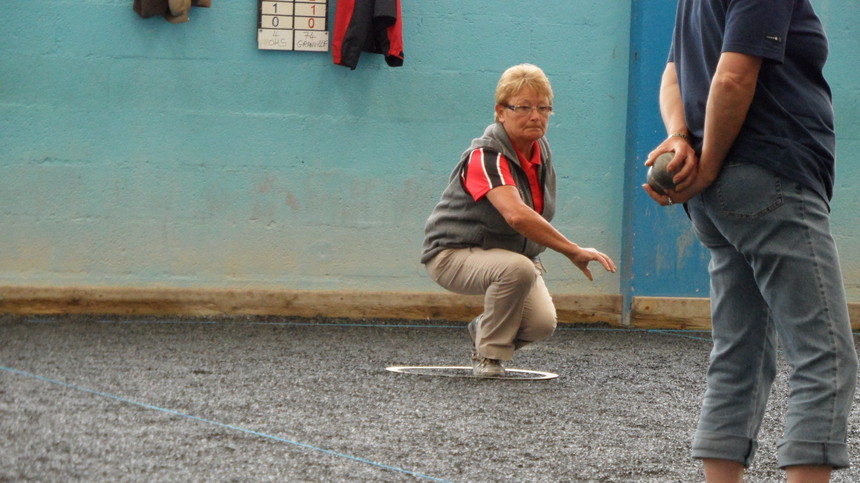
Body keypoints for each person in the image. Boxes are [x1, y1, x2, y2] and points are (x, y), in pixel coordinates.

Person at [642, 1, 858, 481]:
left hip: (718, 201)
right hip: (770, 180)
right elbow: (733, 78)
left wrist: (680, 137)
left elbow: (673, 73)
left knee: (739, 356)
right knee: (826, 358)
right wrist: (711, 162)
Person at [420, 63, 617, 378]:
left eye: (543, 108)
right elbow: (516, 215)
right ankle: (488, 357)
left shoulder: (540, 150)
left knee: (540, 325)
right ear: (501, 112)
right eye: (523, 107)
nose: (535, 116)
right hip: (451, 255)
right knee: (518, 269)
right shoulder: (485, 156)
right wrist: (572, 250)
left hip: (512, 257)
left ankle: (485, 330)